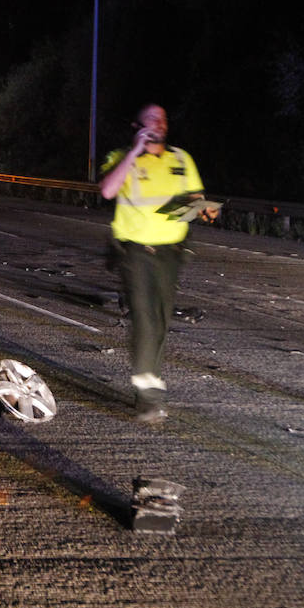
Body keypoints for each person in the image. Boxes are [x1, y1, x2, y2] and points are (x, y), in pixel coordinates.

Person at [99, 104, 216, 423]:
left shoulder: (181, 159)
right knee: (144, 318)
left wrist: (206, 209)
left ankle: (147, 388)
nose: (158, 123)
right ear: (137, 125)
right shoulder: (120, 158)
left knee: (161, 321)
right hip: (135, 251)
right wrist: (135, 152)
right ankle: (149, 397)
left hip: (171, 252)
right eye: (151, 119)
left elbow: (195, 198)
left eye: (162, 118)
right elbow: (107, 190)